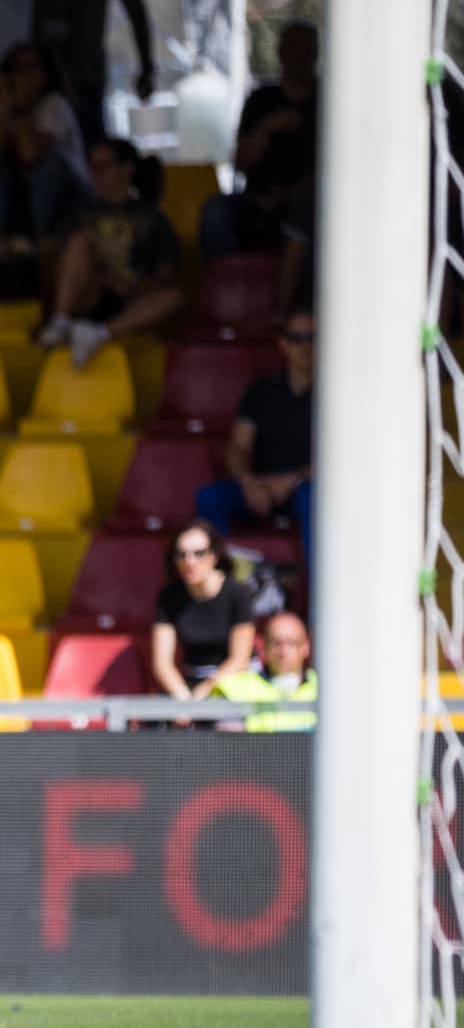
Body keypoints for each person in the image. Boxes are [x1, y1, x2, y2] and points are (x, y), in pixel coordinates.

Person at [37, 137, 185, 368]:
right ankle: (61, 321)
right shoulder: (80, 213)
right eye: (92, 167)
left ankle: (99, 333)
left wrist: (132, 284)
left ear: (126, 169)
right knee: (78, 242)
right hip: (89, 294)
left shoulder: (153, 217)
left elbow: (167, 275)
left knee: (173, 298)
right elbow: (62, 266)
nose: (96, 174)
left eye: (104, 166)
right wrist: (102, 274)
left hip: (131, 303)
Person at [194, 306, 315, 558]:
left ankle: (316, 592)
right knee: (210, 497)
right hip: (261, 485)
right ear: (283, 344)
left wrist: (295, 479)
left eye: (312, 339)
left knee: (312, 499)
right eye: (297, 339)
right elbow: (238, 447)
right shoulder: (261, 391)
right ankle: (222, 585)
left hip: (305, 485)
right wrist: (248, 483)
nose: (305, 347)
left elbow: (344, 459)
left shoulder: (335, 394)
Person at [202, 21, 319, 260]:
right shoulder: (260, 100)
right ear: (280, 53)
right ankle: (223, 289)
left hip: (309, 202)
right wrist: (267, 128)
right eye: (292, 48)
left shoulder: (327, 102)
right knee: (215, 212)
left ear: (315, 53)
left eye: (306, 48)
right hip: (257, 199)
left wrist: (291, 193)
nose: (298, 56)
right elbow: (240, 164)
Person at [31, 0, 156, 143]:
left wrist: (147, 67)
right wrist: (147, 67)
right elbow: (137, 13)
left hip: (79, 74)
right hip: (37, 73)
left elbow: (137, 14)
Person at [0, 42, 88, 252]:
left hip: (68, 199)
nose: (25, 77)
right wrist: (6, 105)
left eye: (32, 68)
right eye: (17, 69)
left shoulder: (55, 105)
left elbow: (31, 155)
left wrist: (19, 109)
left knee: (48, 166)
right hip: (20, 197)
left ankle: (40, 237)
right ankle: (1, 238)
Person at [151, 522, 257, 702]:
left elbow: (239, 659)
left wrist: (205, 691)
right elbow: (162, 663)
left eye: (199, 553)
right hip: (190, 684)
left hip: (235, 683)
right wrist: (182, 696)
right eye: (181, 554)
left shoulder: (237, 593)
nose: (189, 561)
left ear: (214, 556)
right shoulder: (168, 596)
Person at [210, 611, 316, 732]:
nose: (283, 652)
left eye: (292, 643)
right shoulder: (237, 687)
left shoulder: (328, 690)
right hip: (255, 750)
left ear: (306, 647)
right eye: (276, 643)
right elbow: (230, 744)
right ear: (264, 647)